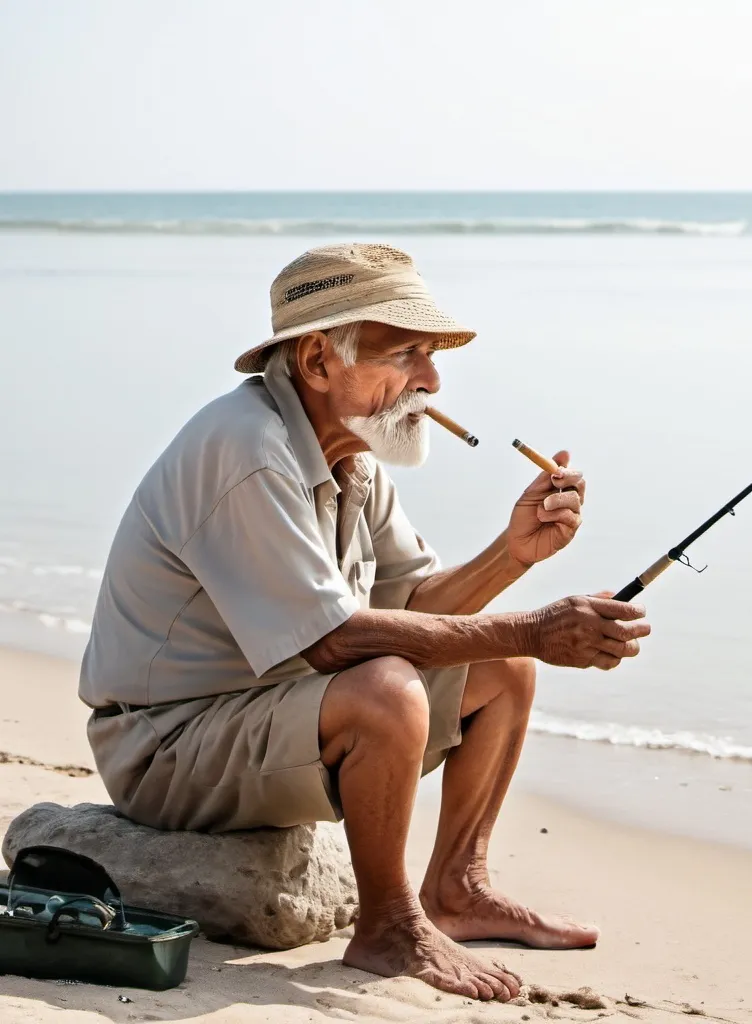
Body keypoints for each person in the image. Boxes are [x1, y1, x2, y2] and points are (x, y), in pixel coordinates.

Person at [80, 243, 650, 1002]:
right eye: (407, 354)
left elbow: (416, 609)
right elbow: (336, 641)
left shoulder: (353, 457)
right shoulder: (245, 449)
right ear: (318, 361)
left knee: (500, 669)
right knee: (388, 689)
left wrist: (513, 559)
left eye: (431, 356)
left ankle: (459, 888)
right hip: (164, 745)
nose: (433, 380)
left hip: (260, 714)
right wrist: (530, 627)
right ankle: (387, 926)